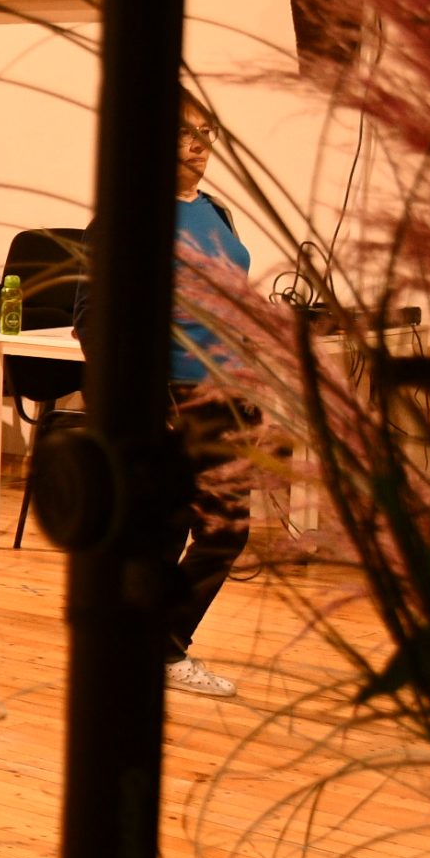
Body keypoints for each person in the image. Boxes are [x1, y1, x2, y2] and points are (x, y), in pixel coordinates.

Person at [161, 94, 254, 698]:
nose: (198, 143)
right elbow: (94, 317)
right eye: (183, 132)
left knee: (222, 530)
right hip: (177, 393)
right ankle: (162, 649)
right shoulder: (132, 215)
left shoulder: (215, 210)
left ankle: (155, 643)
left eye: (205, 131)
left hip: (231, 389)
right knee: (178, 529)